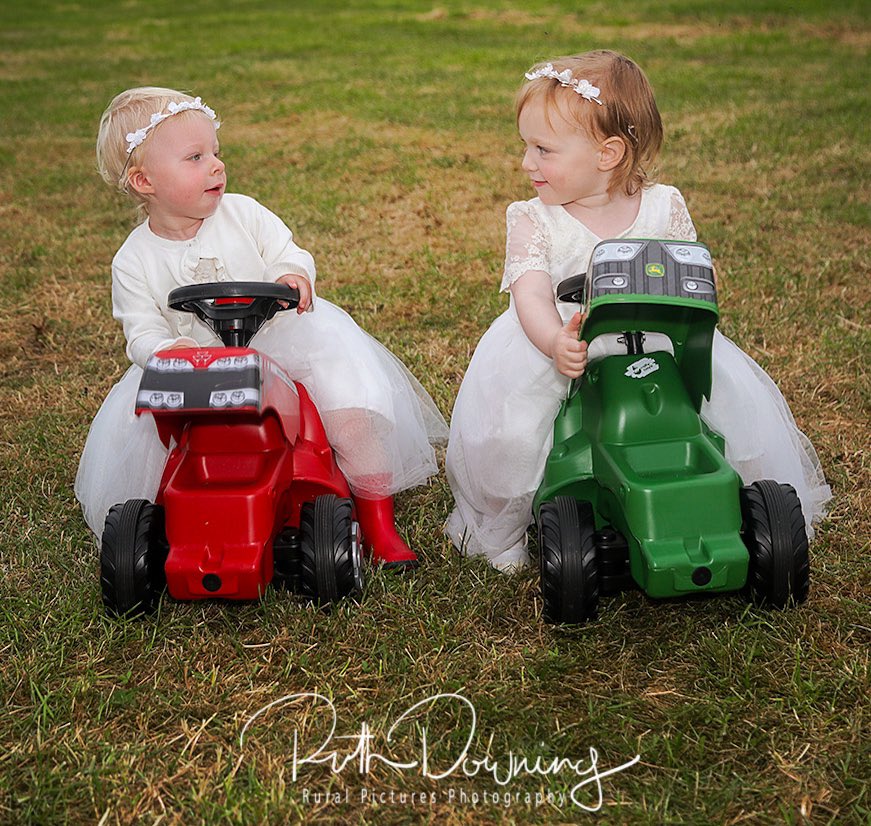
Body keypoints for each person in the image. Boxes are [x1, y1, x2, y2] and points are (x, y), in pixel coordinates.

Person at [445, 51, 830, 572]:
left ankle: (740, 499)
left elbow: (696, 271)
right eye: (526, 146)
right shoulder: (533, 219)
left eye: (542, 150)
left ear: (607, 154)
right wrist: (554, 340)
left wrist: (700, 285)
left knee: (728, 414)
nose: (526, 163)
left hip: (656, 338)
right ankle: (501, 526)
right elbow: (530, 293)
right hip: (567, 337)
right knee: (513, 431)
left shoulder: (663, 206)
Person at [75, 86, 448, 566]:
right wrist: (171, 351)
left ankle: (378, 522)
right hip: (195, 369)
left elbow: (287, 253)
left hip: (282, 341)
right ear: (144, 181)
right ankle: (178, 522)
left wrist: (290, 275)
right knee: (151, 443)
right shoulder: (133, 260)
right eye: (195, 157)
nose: (216, 166)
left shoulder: (244, 213)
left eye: (216, 152)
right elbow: (141, 332)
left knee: (350, 412)